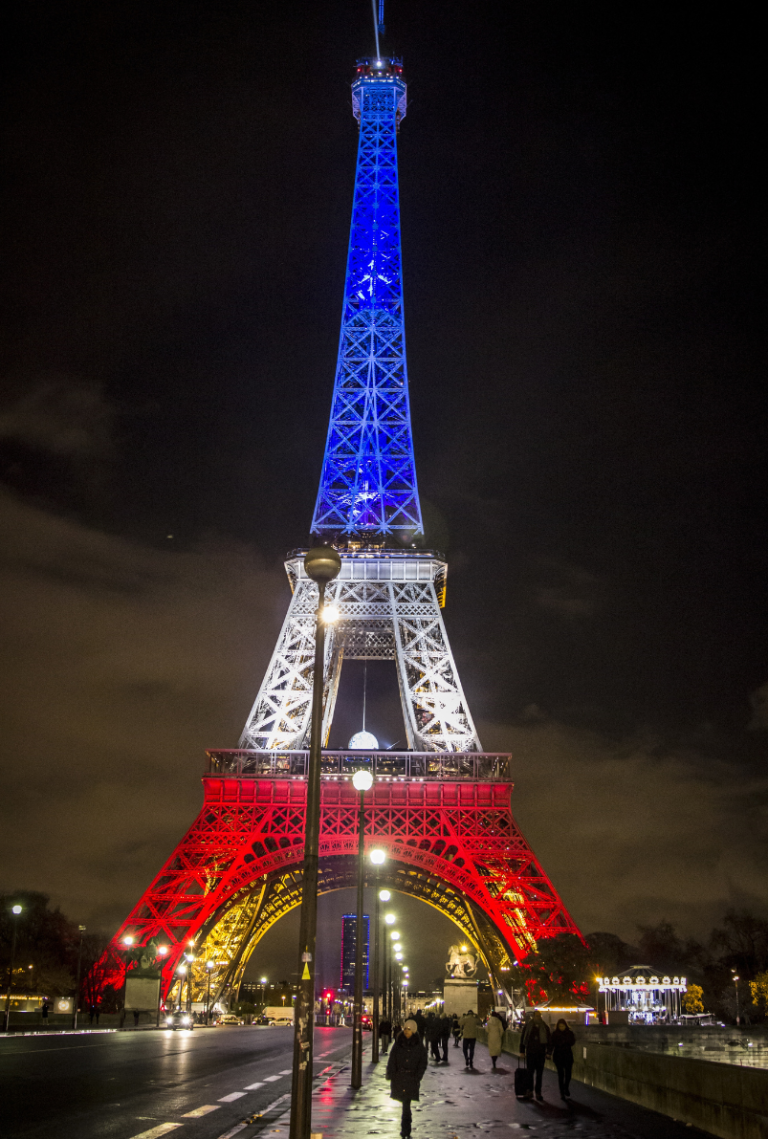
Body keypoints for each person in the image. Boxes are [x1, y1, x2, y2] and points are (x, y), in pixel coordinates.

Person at [386, 1019, 428, 1139]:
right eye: (405, 1029)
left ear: (414, 1031)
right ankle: (405, 1130)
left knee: (406, 1104)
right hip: (399, 1077)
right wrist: (391, 1073)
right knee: (405, 1103)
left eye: (409, 1029)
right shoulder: (398, 1043)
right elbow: (392, 1059)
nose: (406, 1031)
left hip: (411, 1078)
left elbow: (423, 1063)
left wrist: (418, 1076)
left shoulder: (419, 1046)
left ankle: (405, 1130)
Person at [520, 1010, 551, 1101]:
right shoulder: (528, 1026)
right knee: (530, 1073)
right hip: (530, 1053)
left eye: (539, 1016)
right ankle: (530, 1091)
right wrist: (522, 1051)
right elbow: (523, 1039)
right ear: (533, 1016)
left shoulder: (545, 1027)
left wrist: (549, 1052)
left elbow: (549, 1040)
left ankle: (538, 1092)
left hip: (541, 1053)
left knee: (539, 1074)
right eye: (537, 1016)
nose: (538, 1017)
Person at [550, 1018, 576, 1099]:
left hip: (567, 1056)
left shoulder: (569, 1033)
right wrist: (549, 1053)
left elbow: (573, 1042)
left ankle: (566, 1087)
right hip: (558, 1056)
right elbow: (552, 1044)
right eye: (560, 1026)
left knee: (568, 1074)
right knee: (561, 1075)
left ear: (565, 1026)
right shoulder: (555, 1034)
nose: (561, 1027)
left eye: (562, 1026)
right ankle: (562, 1092)